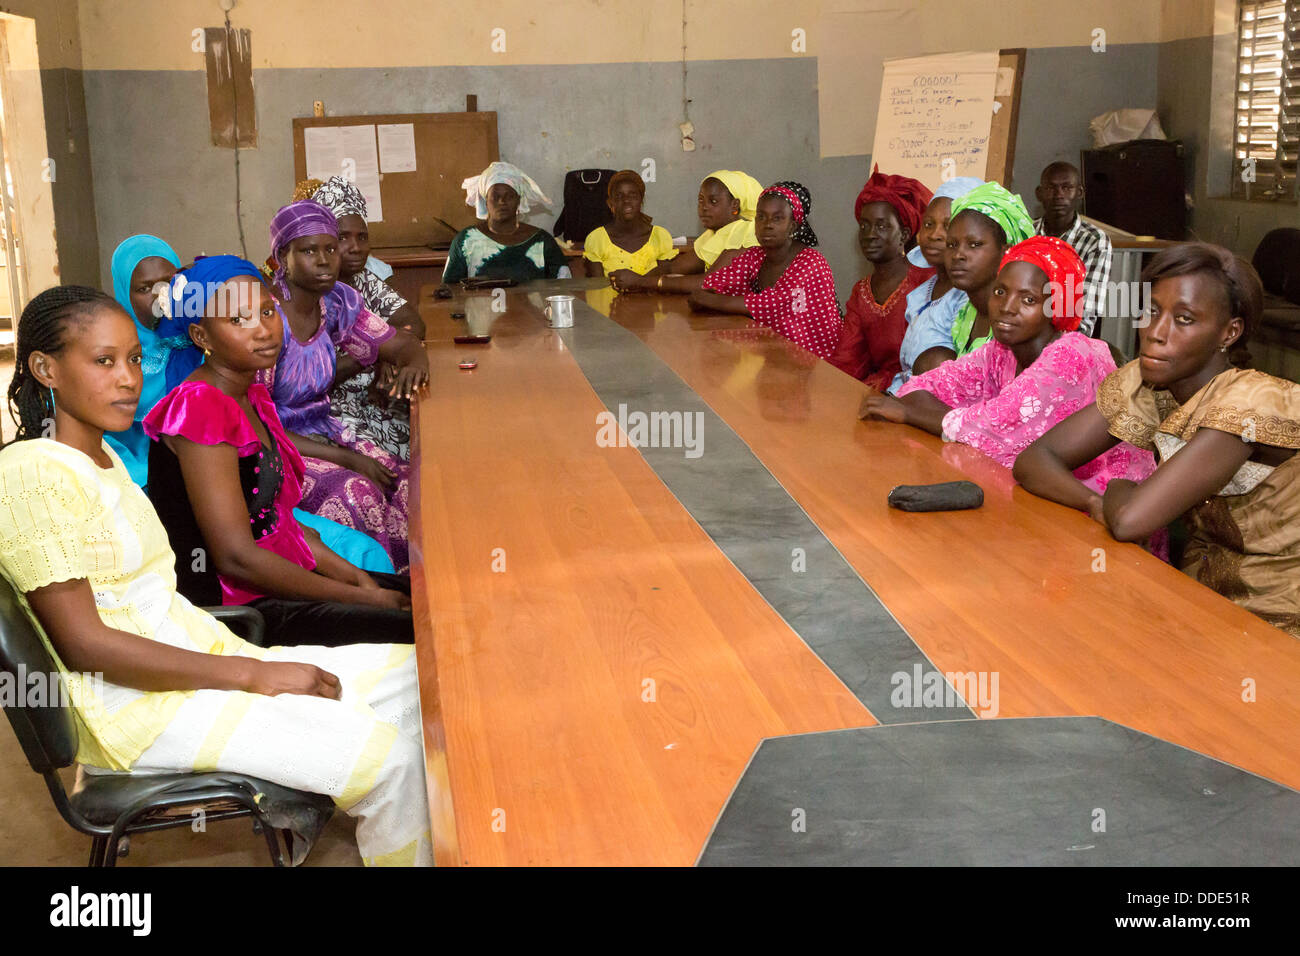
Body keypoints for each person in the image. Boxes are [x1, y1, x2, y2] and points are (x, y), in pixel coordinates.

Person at [0, 285, 433, 865]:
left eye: (133, 358)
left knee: (421, 673)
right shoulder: (32, 475)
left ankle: (327, 784)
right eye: (103, 361)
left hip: (194, 660)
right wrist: (254, 674)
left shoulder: (100, 462)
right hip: (137, 710)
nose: (128, 378)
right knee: (394, 762)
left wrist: (256, 667)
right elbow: (84, 644)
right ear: (45, 368)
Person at [1014, 243, 1300, 636]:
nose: (1155, 333)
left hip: (1278, 620)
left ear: (1229, 332)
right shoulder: (1151, 382)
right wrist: (1096, 502)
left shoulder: (1248, 403)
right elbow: (1034, 460)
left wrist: (1122, 487)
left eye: (1183, 319)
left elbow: (1131, 520)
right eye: (1151, 311)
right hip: (1198, 598)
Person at [142, 256, 414, 646]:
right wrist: (360, 598)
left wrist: (355, 578)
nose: (263, 330)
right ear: (202, 337)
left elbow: (275, 519)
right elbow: (236, 558)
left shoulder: (250, 393)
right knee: (420, 630)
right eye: (238, 321)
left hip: (277, 573)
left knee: (427, 597)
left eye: (267, 312)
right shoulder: (201, 408)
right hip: (237, 608)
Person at [106, 234, 395, 575]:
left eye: (268, 312)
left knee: (365, 556)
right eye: (144, 288)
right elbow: (236, 555)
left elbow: (264, 508)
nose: (160, 297)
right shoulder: (163, 381)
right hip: (196, 525)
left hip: (258, 515)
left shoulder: (233, 372)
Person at [862, 237, 1156, 497]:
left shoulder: (1073, 355)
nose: (1007, 307)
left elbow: (994, 428)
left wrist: (916, 414)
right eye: (1000, 292)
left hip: (1103, 512)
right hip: (1041, 496)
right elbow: (922, 388)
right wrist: (952, 421)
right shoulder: (1001, 350)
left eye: (1028, 299)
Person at [257, 200, 429, 573]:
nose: (324, 260)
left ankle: (416, 589)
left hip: (325, 432)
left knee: (410, 482)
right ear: (280, 257)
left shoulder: (335, 303)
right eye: (308, 251)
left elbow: (402, 342)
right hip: (273, 448)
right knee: (359, 491)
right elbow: (261, 424)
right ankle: (370, 590)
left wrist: (415, 362)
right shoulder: (263, 319)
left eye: (330, 249)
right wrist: (351, 459)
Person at [306, 175, 424, 461]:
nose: (355, 247)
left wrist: (385, 354)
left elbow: (413, 323)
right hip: (329, 411)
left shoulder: (363, 281)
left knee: (435, 437)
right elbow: (309, 381)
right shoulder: (312, 292)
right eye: (343, 237)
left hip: (374, 399)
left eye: (362, 237)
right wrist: (374, 352)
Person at [689, 181, 842, 359]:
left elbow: (769, 304)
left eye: (777, 218)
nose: (767, 224)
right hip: (776, 357)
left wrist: (709, 300)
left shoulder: (811, 262)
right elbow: (712, 283)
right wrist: (705, 295)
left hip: (820, 367)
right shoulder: (756, 256)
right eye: (761, 217)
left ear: (793, 225)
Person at [828, 167, 935, 390]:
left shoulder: (927, 282)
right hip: (880, 392)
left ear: (904, 235)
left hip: (922, 393)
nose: (869, 234)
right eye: (864, 226)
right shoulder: (862, 292)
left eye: (881, 226)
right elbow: (848, 360)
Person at [887, 177, 984, 393]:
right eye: (929, 224)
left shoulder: (969, 300)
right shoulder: (921, 293)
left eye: (948, 226)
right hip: (905, 397)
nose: (934, 234)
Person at [609, 169, 762, 294]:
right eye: (701, 200)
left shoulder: (748, 233)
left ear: (735, 205)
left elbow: (708, 282)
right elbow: (673, 268)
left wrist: (641, 282)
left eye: (713, 201)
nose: (704, 207)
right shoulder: (713, 235)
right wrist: (636, 283)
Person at [941, 182, 1036, 359]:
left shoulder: (1017, 322)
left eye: (974, 244)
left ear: (1006, 252)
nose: (958, 255)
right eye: (951, 245)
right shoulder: (962, 313)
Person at [443, 161, 570, 282]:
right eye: (495, 196)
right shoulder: (466, 241)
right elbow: (450, 292)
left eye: (509, 196)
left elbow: (564, 289)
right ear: (485, 200)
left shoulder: (542, 241)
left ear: (518, 201)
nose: (502, 201)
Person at [1034, 161, 1111, 337]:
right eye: (1051, 188)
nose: (1059, 195)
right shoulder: (1026, 233)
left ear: (1080, 193)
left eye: (1067, 187)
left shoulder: (1094, 240)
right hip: (1023, 334)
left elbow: (1085, 312)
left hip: (1067, 340)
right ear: (1039, 194)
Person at [581, 170, 676, 278]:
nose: (626, 201)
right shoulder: (597, 239)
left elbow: (666, 281)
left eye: (633, 195)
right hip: (608, 295)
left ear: (641, 200)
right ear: (610, 203)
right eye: (619, 196)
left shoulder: (660, 236)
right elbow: (597, 289)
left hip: (652, 295)